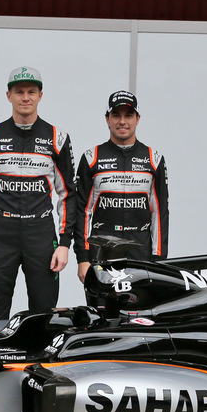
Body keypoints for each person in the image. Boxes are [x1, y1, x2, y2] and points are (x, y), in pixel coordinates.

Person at [0, 66, 77, 322]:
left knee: (43, 313)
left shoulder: (58, 138)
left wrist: (63, 244)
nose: (25, 97)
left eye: (31, 91)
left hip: (40, 233)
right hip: (0, 234)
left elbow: (67, 194)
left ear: (40, 95)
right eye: (19, 92)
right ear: (9, 96)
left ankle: (38, 362)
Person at [74, 90, 169, 285]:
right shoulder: (91, 158)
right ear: (107, 119)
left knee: (141, 312)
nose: (122, 121)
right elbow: (82, 211)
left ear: (137, 119)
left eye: (128, 115)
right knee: (102, 312)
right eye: (116, 115)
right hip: (102, 250)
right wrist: (83, 258)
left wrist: (159, 260)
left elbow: (160, 213)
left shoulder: (154, 159)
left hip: (141, 251)